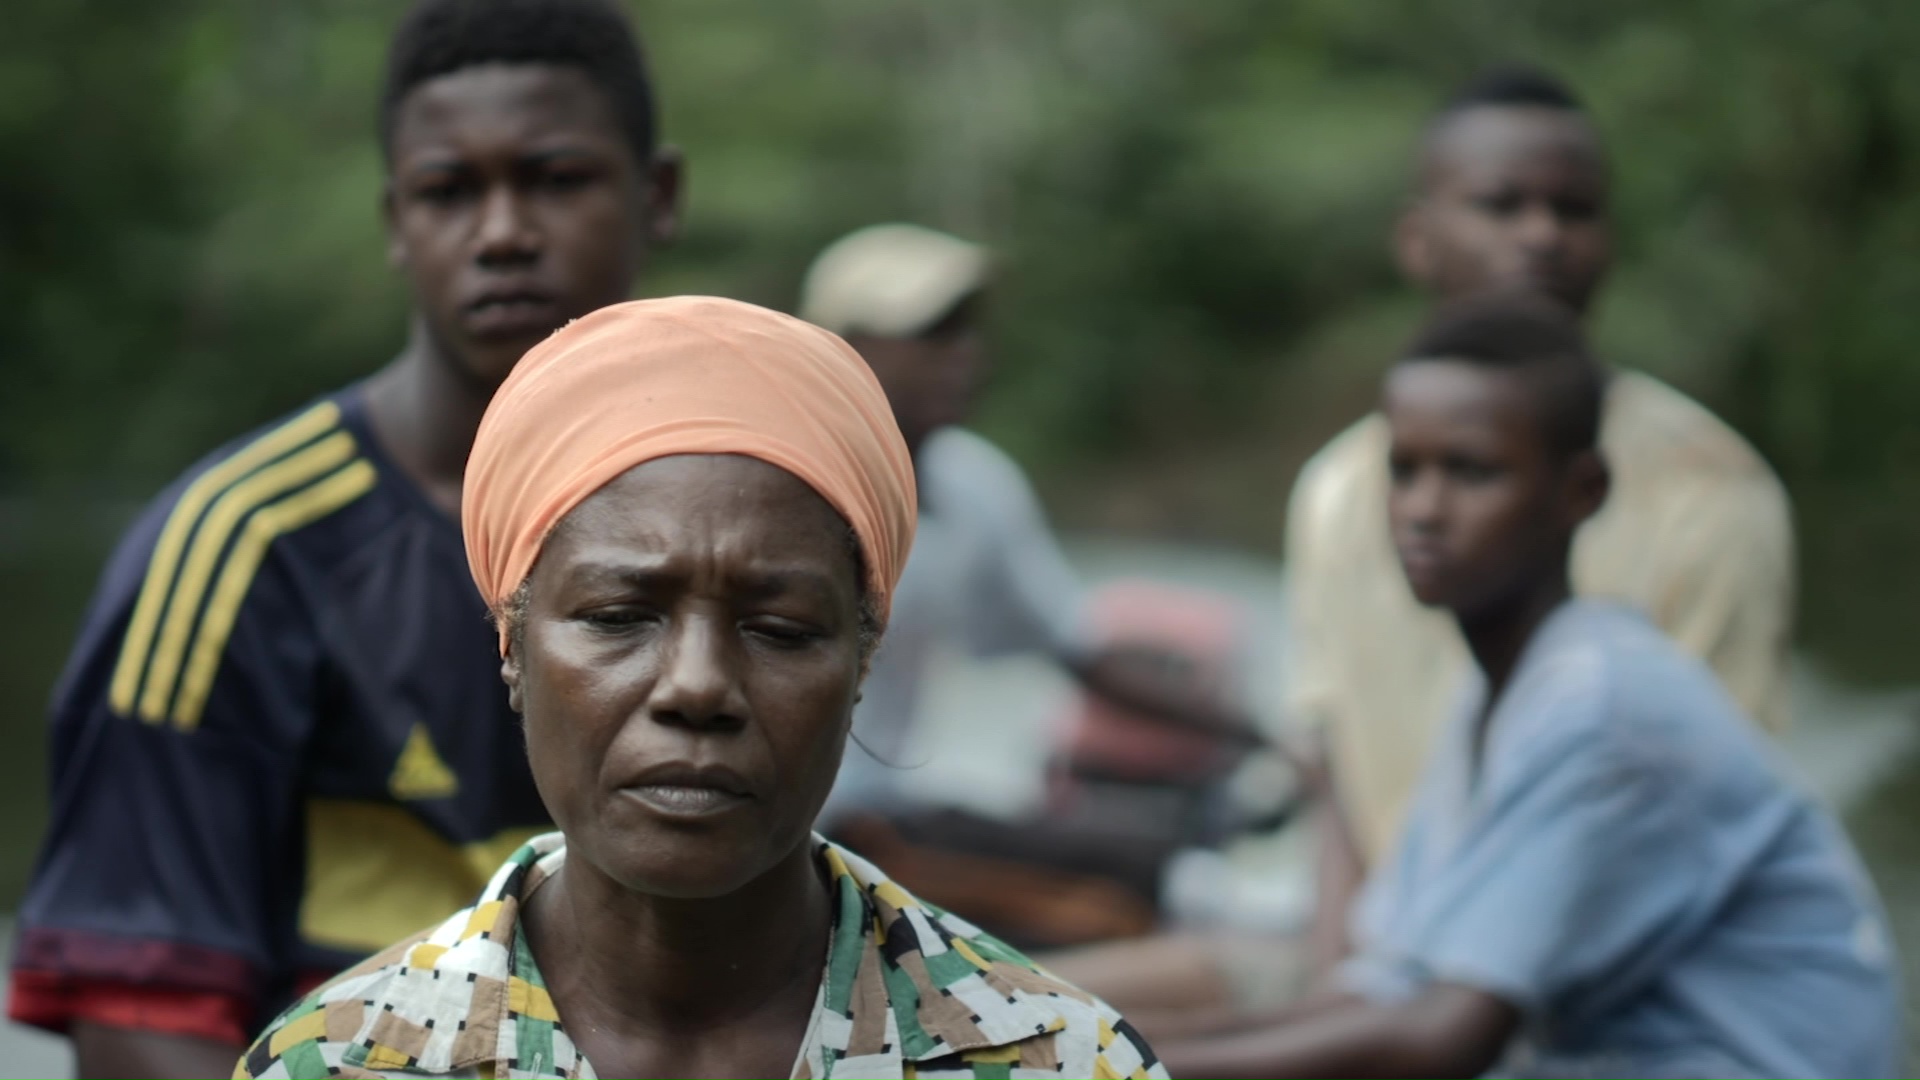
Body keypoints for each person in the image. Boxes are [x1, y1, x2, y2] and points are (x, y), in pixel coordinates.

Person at [235, 296, 1171, 1080]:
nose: (697, 688)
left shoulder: (1053, 1060)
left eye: (779, 629)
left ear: (864, 657)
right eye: (617, 616)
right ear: (511, 642)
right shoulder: (346, 1063)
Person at [8, 2, 682, 1076]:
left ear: (659, 196)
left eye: (556, 179)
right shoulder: (241, 546)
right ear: (394, 218)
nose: (503, 231)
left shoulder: (732, 524)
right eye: (449, 190)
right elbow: (142, 1018)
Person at [1159, 293, 1898, 1080]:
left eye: (1471, 472)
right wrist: (1101, 1052)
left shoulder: (1606, 710)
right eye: (1403, 471)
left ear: (1582, 492)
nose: (1423, 511)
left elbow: (1444, 1039)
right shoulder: (1498, 694)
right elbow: (1385, 988)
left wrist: (1123, 1068)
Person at [1284, 65, 1795, 970]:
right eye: (1501, 204)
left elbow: (1692, 819)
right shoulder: (1336, 492)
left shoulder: (1709, 492)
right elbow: (1342, 771)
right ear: (1418, 239)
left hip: (1592, 981)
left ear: (1579, 495)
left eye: (1575, 209)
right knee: (1050, 1026)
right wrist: (1339, 985)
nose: (1542, 238)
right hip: (1395, 963)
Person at [796, 224, 1268, 945]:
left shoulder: (974, 484)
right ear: (842, 344)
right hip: (819, 824)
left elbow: (1075, 646)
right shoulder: (788, 488)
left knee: (1149, 872)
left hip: (897, 809)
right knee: (1129, 901)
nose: (962, 355)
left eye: (966, 333)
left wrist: (1264, 736)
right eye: (929, 333)